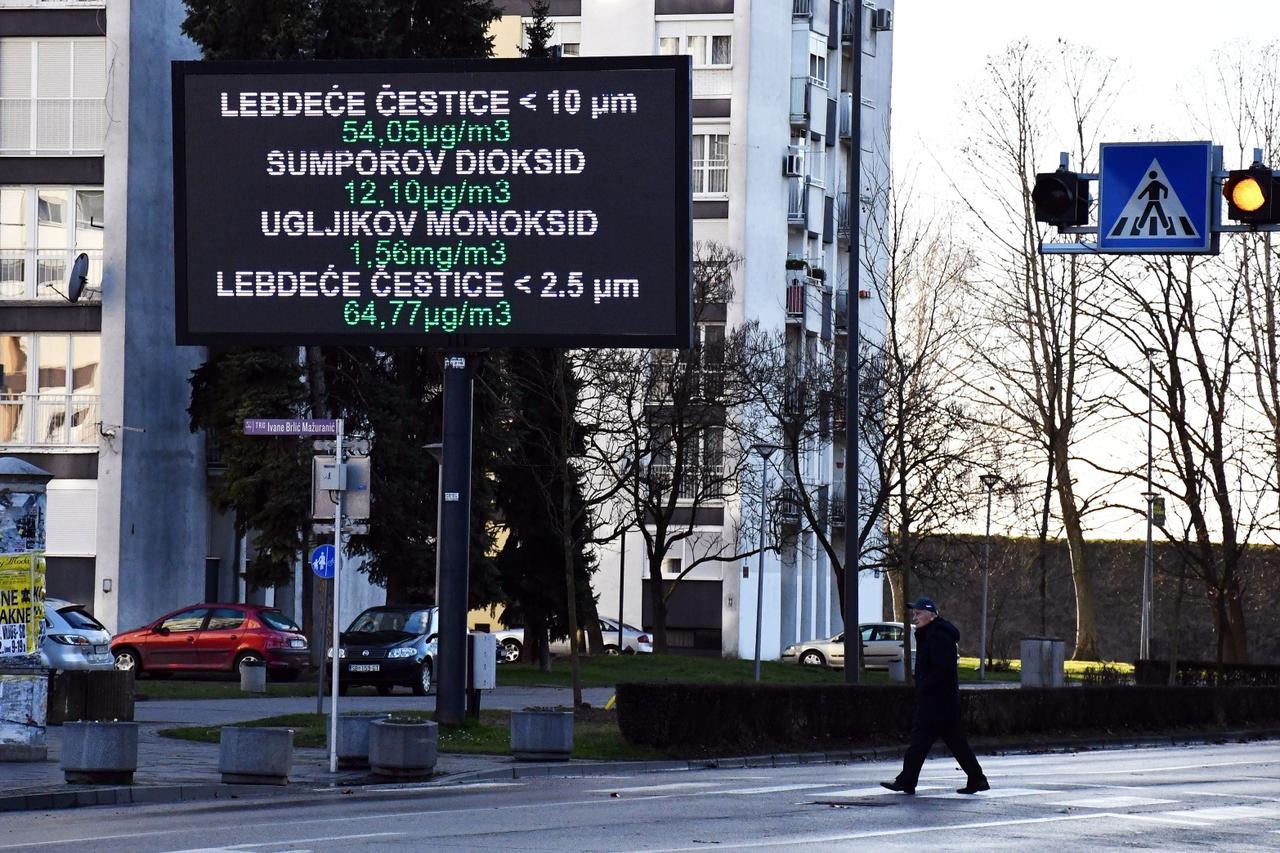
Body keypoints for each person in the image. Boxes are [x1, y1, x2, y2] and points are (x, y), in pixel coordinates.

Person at [881, 597, 989, 795]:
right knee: (951, 742)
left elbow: (942, 669)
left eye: (919, 613)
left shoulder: (937, 636)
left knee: (921, 742)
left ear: (932, 615)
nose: (915, 617)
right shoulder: (931, 633)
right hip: (942, 701)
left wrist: (924, 687)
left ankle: (907, 780)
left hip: (936, 702)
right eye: (914, 613)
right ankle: (977, 778)